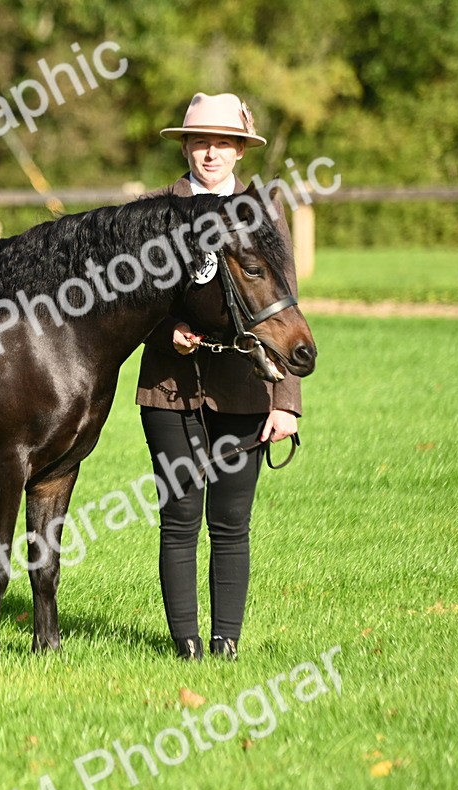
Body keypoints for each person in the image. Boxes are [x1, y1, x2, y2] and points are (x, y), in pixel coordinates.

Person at [136, 92, 301, 661]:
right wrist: (164, 333)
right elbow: (125, 304)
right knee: (178, 517)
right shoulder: (154, 210)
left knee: (231, 521)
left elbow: (285, 310)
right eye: (201, 142)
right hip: (167, 390)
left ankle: (226, 642)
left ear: (240, 150)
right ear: (185, 146)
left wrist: (286, 401)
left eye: (223, 142)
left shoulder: (266, 211)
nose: (211, 153)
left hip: (246, 389)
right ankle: (184, 645)